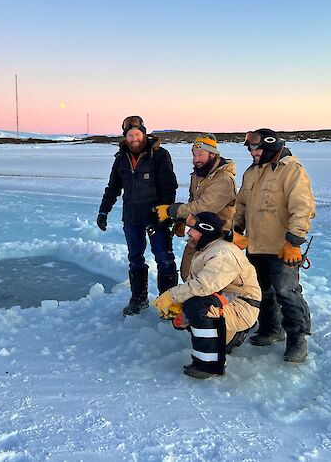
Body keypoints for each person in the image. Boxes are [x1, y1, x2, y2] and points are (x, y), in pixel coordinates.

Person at [234, 128, 315, 363]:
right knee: (262, 290)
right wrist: (236, 230)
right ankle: (271, 329)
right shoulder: (252, 172)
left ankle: (297, 338)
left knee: (286, 292)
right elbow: (241, 203)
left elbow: (302, 207)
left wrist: (295, 241)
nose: (253, 152)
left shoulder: (291, 170)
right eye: (250, 148)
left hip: (282, 247)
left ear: (270, 146)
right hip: (255, 245)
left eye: (256, 148)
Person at [154, 212, 261, 379]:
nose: (188, 233)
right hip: (226, 298)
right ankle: (230, 336)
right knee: (188, 310)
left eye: (193, 229)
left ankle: (209, 365)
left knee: (198, 308)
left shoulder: (222, 253)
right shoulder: (207, 249)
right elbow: (195, 287)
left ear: (206, 230)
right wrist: (181, 308)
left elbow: (203, 286)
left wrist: (171, 296)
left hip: (243, 305)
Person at [97, 116, 179, 316]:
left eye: (137, 134)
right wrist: (103, 211)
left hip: (155, 217)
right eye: (130, 135)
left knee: (164, 259)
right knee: (135, 258)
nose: (134, 139)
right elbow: (113, 187)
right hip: (132, 218)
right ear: (125, 137)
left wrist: (165, 214)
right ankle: (139, 298)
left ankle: (168, 303)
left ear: (143, 133)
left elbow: (169, 187)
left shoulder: (160, 155)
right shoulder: (120, 159)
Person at [153, 133, 237, 281]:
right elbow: (192, 200)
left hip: (217, 236)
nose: (196, 159)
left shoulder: (223, 178)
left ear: (213, 155)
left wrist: (172, 210)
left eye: (200, 154)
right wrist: (182, 220)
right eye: (194, 154)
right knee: (187, 272)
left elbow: (205, 207)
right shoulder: (198, 175)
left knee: (207, 280)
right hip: (198, 233)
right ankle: (187, 302)